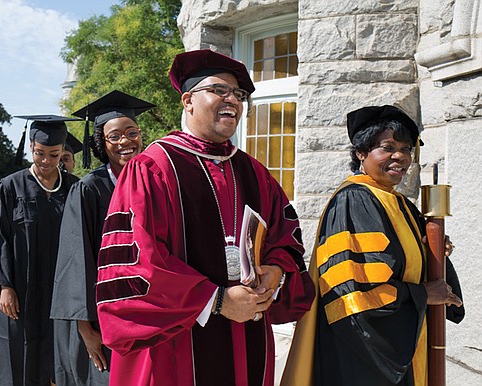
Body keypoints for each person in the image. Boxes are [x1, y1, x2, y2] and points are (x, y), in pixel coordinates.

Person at [95, 49, 315, 386]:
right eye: (219, 90)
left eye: (239, 94)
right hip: (177, 343)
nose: (233, 99)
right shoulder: (153, 168)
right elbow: (137, 263)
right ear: (188, 101)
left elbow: (284, 236)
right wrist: (216, 301)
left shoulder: (255, 173)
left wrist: (277, 271)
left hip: (248, 335)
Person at [281, 105, 464, 386]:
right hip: (361, 352)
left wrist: (432, 252)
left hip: (399, 345)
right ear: (361, 153)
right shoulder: (355, 200)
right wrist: (422, 295)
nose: (400, 157)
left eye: (406, 149)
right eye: (387, 147)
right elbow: (354, 291)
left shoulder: (397, 201)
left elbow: (401, 263)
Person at [51, 90, 155, 386]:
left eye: (131, 132)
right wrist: (84, 327)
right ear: (101, 142)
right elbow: (75, 260)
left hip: (147, 313)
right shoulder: (88, 190)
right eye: (115, 136)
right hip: (102, 320)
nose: (125, 141)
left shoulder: (154, 180)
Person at [0, 115, 80, 386]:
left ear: (63, 151)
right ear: (31, 147)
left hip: (62, 294)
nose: (46, 160)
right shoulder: (10, 187)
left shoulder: (75, 189)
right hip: (20, 295)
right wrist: (4, 287)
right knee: (20, 362)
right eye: (39, 153)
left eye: (54, 154)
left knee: (60, 364)